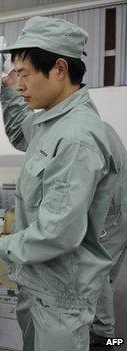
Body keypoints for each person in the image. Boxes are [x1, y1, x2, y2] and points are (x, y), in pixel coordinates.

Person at [0, 16, 120, 350]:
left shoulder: (76, 137)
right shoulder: (52, 122)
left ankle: (105, 337)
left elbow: (57, 232)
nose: (18, 84)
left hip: (61, 292)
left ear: (60, 69)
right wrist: (7, 90)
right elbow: (21, 132)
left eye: (24, 74)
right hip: (39, 281)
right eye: (15, 75)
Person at [90, 123, 127, 346]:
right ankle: (102, 323)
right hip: (121, 206)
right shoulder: (103, 127)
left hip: (112, 210)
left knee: (96, 270)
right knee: (109, 270)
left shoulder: (82, 130)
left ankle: (103, 335)